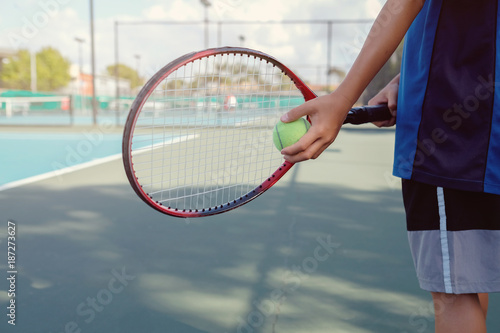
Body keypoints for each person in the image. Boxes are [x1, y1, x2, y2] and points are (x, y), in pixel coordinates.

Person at [280, 0, 500, 332]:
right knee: (468, 275)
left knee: (456, 291)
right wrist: (410, 73)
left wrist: (342, 98)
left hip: (456, 136)